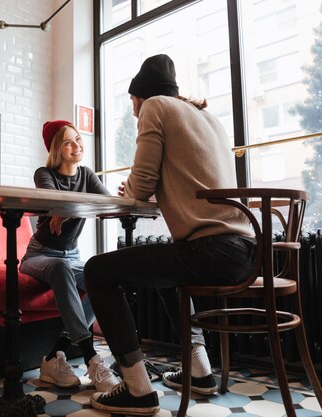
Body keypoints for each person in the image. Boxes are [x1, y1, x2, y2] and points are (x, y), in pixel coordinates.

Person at [85, 54, 257, 415]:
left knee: (97, 270)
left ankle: (137, 388)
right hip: (244, 250)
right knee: (166, 269)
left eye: (133, 103)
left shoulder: (155, 107)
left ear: (141, 95)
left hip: (213, 250)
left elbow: (142, 184)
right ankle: (200, 371)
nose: (134, 113)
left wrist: (129, 189)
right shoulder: (206, 117)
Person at [19, 120, 120, 392]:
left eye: (77, 139)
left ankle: (54, 356)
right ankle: (92, 360)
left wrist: (68, 207)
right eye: (67, 142)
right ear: (56, 149)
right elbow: (52, 197)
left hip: (71, 255)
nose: (77, 145)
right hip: (39, 255)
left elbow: (108, 203)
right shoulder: (44, 173)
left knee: (105, 278)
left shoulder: (87, 175)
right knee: (62, 267)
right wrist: (62, 206)